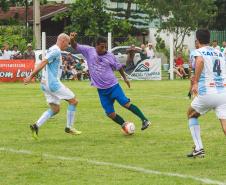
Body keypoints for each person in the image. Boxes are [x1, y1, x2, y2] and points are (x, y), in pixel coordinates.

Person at [70, 32, 150, 133]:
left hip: (113, 86)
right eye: (102, 47)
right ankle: (124, 124)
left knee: (125, 103)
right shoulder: (89, 51)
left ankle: (144, 120)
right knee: (110, 114)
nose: (104, 49)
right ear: (97, 46)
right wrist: (72, 39)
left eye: (105, 47)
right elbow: (74, 45)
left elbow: (119, 67)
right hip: (102, 91)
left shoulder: (110, 55)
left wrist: (125, 78)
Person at [24, 33, 82, 139]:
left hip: (45, 84)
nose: (68, 46)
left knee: (55, 109)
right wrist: (31, 76)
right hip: (52, 84)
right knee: (74, 101)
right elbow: (43, 62)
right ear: (63, 41)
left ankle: (36, 126)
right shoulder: (56, 51)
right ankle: (69, 127)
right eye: (67, 43)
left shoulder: (52, 49)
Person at [186, 29, 226, 158]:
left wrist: (196, 82)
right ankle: (198, 149)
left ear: (197, 40)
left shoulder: (198, 52)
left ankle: (199, 148)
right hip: (223, 93)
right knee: (224, 125)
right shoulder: (220, 52)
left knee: (191, 114)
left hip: (208, 92)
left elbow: (200, 61)